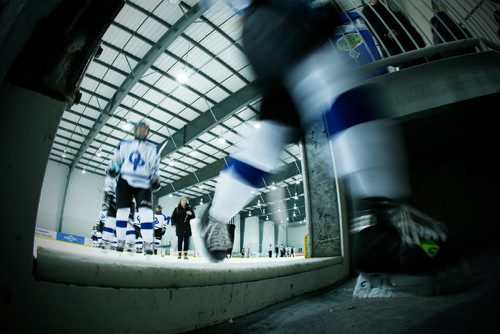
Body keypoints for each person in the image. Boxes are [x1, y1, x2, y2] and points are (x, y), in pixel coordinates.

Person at [198, 0, 455, 296]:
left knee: (276, 124)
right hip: (275, 16)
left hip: (268, 21)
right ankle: (381, 216)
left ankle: (217, 215)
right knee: (329, 78)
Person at [107, 121, 161, 255]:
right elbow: (117, 160)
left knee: (146, 213)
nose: (142, 132)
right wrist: (113, 168)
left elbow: (154, 168)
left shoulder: (153, 148)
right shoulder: (124, 144)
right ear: (135, 131)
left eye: (145, 130)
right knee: (123, 211)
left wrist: (156, 179)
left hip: (144, 183)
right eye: (140, 129)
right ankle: (120, 240)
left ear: (148, 133)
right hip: (124, 181)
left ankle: (148, 242)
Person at [361, 0, 427, 68]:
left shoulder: (387, 3)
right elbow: (376, 29)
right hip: (399, 47)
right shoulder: (368, 10)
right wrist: (388, 32)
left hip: (411, 44)